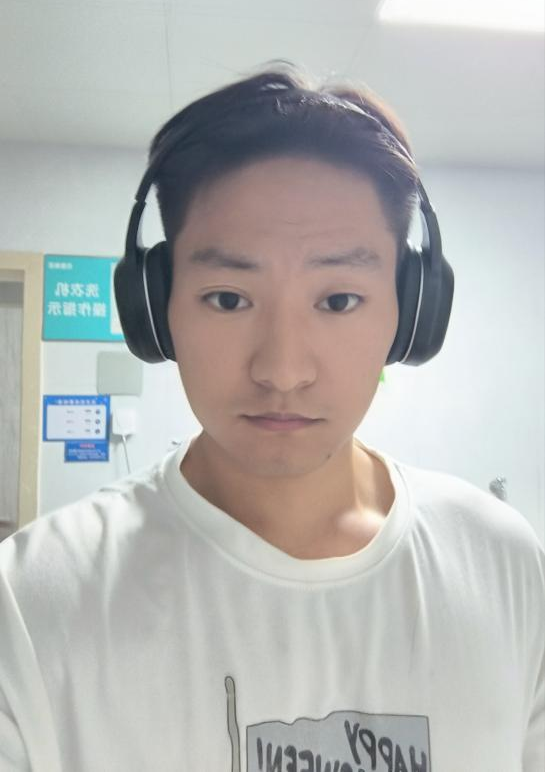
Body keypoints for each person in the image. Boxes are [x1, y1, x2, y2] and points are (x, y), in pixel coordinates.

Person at [0, 63, 543, 771]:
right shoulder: (30, 604)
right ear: (155, 308)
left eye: (338, 300)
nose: (282, 370)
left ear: (410, 312)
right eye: (228, 298)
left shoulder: (505, 566)